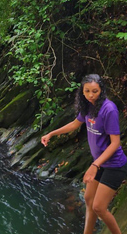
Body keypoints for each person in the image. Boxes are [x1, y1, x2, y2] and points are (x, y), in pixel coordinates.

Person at [41, 74, 127, 234]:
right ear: (82, 91)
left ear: (102, 90)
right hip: (100, 163)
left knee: (99, 207)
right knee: (88, 199)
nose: (91, 95)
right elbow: (75, 124)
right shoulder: (87, 106)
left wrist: (95, 165)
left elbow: (115, 143)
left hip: (114, 165)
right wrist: (51, 134)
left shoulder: (109, 109)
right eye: (87, 91)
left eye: (95, 91)